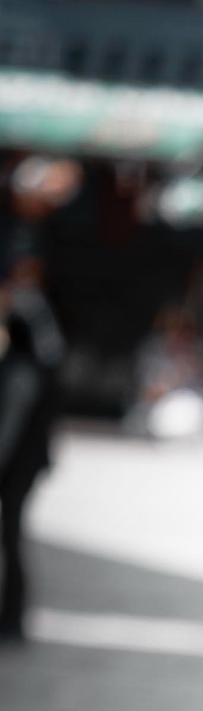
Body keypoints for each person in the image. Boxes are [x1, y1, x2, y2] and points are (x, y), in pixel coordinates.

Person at [0, 264, 62, 642]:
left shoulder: (23, 372)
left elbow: (7, 431)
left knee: (10, 534)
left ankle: (12, 616)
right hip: (25, 462)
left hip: (17, 465)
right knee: (11, 535)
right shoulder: (40, 362)